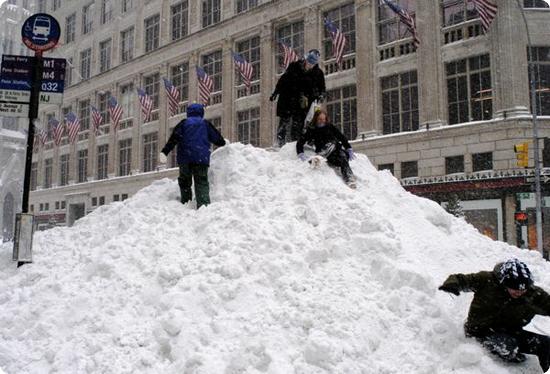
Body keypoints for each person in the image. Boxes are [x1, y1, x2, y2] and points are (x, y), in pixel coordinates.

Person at [439, 259, 550, 372]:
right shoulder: (487, 280)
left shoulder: (533, 294)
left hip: (512, 331)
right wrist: (452, 284)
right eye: (515, 289)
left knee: (546, 343)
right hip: (481, 332)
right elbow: (462, 279)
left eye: (523, 289)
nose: (519, 292)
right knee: (507, 346)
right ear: (504, 282)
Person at [159, 103, 226, 209]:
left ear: (188, 113)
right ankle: (203, 205)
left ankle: (186, 204)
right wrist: (223, 143)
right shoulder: (205, 124)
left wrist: (165, 152)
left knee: (185, 182)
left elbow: (173, 139)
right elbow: (218, 139)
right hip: (201, 159)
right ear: (201, 112)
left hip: (185, 158)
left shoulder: (183, 124)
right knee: (201, 182)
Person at [296, 109, 357, 188]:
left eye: (323, 119)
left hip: (336, 151)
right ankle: (320, 156)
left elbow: (341, 137)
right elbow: (300, 142)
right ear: (316, 119)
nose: (322, 121)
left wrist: (348, 148)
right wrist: (300, 153)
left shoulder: (330, 127)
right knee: (333, 146)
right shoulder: (312, 130)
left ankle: (350, 179)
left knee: (343, 157)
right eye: (320, 119)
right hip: (325, 153)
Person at [270, 57, 308, 147]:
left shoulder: (287, 75)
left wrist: (274, 94)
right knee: (294, 123)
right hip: (293, 103)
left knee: (285, 123)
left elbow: (279, 85)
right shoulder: (300, 75)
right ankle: (294, 140)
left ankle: (283, 140)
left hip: (287, 103)